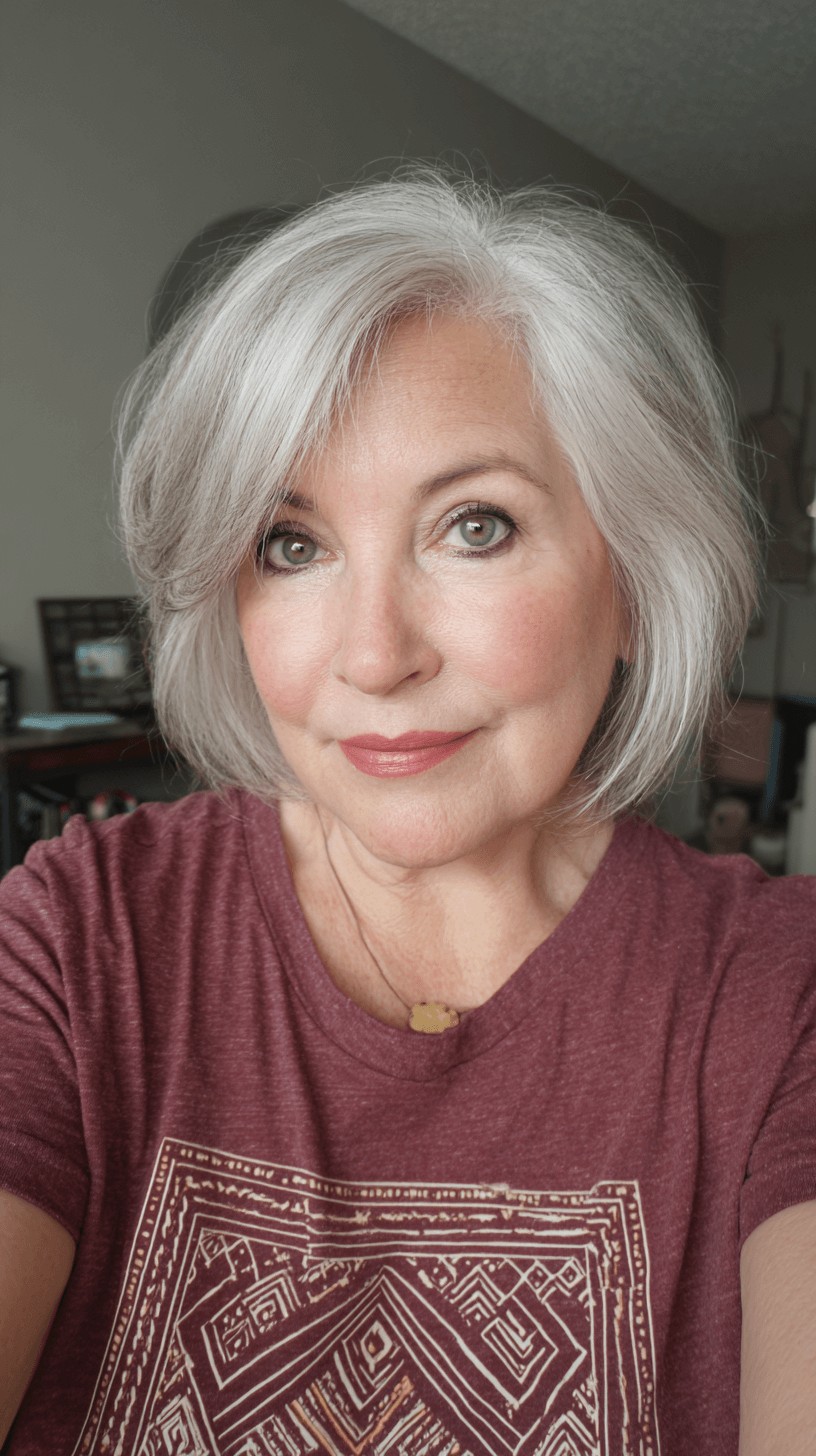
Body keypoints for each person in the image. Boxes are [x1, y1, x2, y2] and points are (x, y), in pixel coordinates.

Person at [1, 167, 814, 1456]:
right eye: (292, 544)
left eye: (474, 526)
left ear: (632, 575)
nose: (375, 656)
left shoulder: (779, 993)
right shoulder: (76, 937)